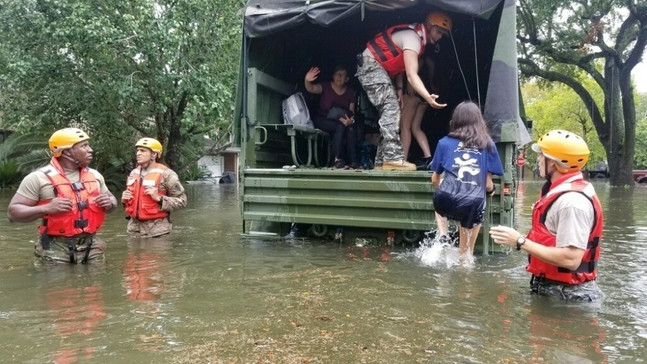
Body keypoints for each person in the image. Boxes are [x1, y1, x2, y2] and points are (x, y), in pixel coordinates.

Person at [489, 130, 604, 301]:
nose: (538, 160)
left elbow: (571, 259)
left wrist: (519, 241)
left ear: (553, 163)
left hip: (569, 298)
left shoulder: (572, 203)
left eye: (542, 155)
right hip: (555, 290)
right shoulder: (560, 191)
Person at [356, 10, 451, 171]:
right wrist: (428, 97)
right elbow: (411, 74)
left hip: (379, 69)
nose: (440, 36)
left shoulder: (417, 40)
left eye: (443, 34)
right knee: (391, 108)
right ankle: (392, 158)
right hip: (370, 65)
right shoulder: (413, 39)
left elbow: (399, 66)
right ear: (428, 26)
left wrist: (399, 89)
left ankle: (381, 161)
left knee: (391, 110)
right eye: (439, 31)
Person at [7, 127, 117, 263]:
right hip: (55, 248)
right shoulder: (38, 178)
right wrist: (45, 209)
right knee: (57, 284)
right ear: (66, 152)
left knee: (94, 283)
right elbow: (13, 213)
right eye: (84, 146)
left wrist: (110, 203)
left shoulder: (95, 176)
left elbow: (112, 202)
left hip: (92, 247)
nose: (90, 150)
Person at [429, 101, 504, 261]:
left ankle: (443, 236)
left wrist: (446, 186)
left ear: (455, 121)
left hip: (446, 198)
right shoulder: (488, 144)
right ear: (479, 120)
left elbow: (435, 179)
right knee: (466, 257)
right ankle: (465, 270)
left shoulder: (444, 143)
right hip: (473, 203)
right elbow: (487, 184)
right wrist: (491, 192)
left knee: (441, 197)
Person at [122, 137, 187, 238]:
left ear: (154, 154)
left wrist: (159, 198)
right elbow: (130, 203)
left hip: (157, 232)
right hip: (133, 231)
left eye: (143, 151)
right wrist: (124, 200)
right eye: (137, 150)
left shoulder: (167, 174)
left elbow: (182, 201)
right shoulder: (133, 174)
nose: (138, 153)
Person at [304, 65, 358, 169]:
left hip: (342, 121)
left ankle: (354, 161)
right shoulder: (325, 87)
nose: (339, 76)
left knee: (350, 128)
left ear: (347, 79)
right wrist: (307, 80)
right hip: (322, 120)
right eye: (337, 74)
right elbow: (311, 88)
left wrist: (350, 121)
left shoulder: (350, 93)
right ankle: (336, 159)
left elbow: (352, 112)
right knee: (340, 126)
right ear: (333, 76)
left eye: (342, 75)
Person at [397, 54, 436, 169]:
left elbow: (414, 68)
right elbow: (431, 65)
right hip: (424, 95)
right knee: (415, 128)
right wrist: (431, 83)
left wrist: (410, 83)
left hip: (412, 93)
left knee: (405, 127)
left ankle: (403, 160)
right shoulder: (427, 57)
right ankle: (428, 157)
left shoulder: (413, 54)